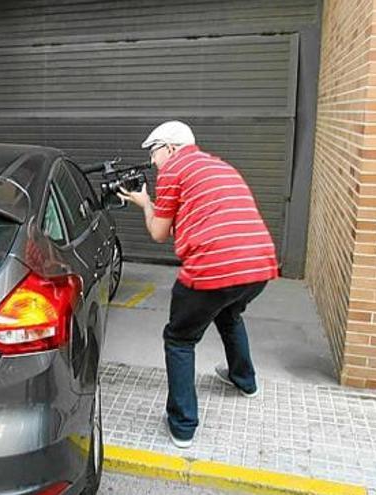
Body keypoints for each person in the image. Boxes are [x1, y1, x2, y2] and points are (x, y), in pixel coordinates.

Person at [117, 121, 278, 449]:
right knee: (229, 314)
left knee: (179, 339)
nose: (152, 160)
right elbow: (205, 219)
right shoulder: (220, 167)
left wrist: (145, 203)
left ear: (171, 148)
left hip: (213, 269)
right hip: (259, 266)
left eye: (154, 151)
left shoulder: (174, 170)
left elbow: (159, 233)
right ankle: (244, 380)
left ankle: (183, 424)